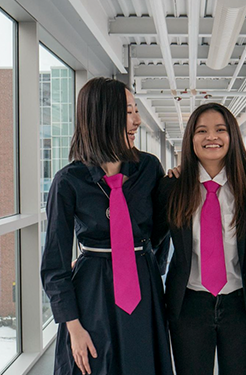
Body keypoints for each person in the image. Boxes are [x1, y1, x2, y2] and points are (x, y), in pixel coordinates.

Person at [41, 77, 173, 375]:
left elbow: (161, 230)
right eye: (129, 111)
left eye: (136, 110)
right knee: (94, 364)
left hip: (142, 286)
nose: (138, 120)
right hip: (92, 292)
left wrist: (152, 266)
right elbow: (54, 265)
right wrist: (73, 328)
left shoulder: (149, 169)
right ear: (103, 116)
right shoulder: (68, 181)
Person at [152, 102, 246, 375]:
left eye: (220, 130)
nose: (211, 137)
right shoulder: (172, 187)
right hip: (188, 305)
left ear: (232, 136)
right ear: (190, 139)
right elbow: (149, 237)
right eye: (201, 131)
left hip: (241, 305)